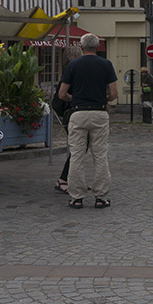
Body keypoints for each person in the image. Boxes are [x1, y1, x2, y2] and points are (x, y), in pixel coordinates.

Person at [58, 33, 118, 209]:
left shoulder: (73, 65)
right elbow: (114, 93)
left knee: (76, 155)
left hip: (78, 113)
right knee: (100, 156)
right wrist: (102, 99)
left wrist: (74, 98)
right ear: (98, 47)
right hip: (99, 113)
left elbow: (62, 94)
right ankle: (101, 197)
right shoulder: (106, 64)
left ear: (81, 47)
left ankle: (76, 196)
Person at [52, 44, 82, 194]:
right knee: (78, 149)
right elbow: (59, 97)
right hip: (72, 114)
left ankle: (75, 179)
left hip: (69, 114)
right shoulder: (72, 72)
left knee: (79, 148)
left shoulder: (68, 71)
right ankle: (63, 179)